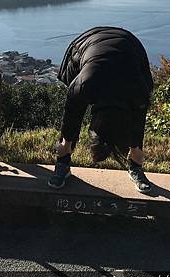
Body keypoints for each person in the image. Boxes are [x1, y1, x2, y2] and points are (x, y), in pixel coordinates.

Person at [48, 26, 154, 193]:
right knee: (75, 104)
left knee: (130, 104)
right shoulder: (83, 86)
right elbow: (71, 115)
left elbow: (138, 122)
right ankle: (63, 163)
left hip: (130, 45)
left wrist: (136, 151)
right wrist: (65, 144)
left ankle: (135, 167)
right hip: (84, 44)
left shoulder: (139, 89)